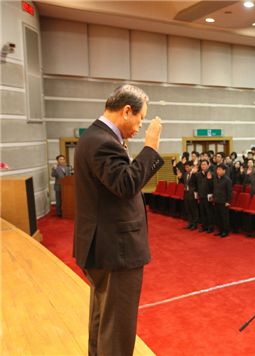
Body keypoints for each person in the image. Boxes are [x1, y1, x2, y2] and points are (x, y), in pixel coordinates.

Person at [73, 84, 163, 355]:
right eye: (140, 118)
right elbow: (125, 185)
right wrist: (151, 148)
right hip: (117, 250)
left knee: (103, 319)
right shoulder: (103, 142)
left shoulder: (94, 137)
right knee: (118, 328)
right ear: (126, 111)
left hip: (104, 246)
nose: (140, 125)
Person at [213, 164, 232, 237]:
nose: (218, 171)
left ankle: (225, 231)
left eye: (220, 170)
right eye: (217, 169)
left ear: (224, 171)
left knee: (224, 217)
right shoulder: (216, 178)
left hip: (224, 201)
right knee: (218, 217)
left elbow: (229, 192)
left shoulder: (227, 180)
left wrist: (228, 201)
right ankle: (220, 230)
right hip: (217, 200)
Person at [196, 159, 214, 233]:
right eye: (202, 164)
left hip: (208, 196)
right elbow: (197, 185)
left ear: (208, 165)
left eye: (204, 164)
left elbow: (213, 186)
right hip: (201, 195)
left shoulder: (211, 173)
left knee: (209, 212)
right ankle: (204, 226)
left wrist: (209, 180)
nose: (203, 166)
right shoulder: (198, 174)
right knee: (202, 212)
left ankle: (210, 227)